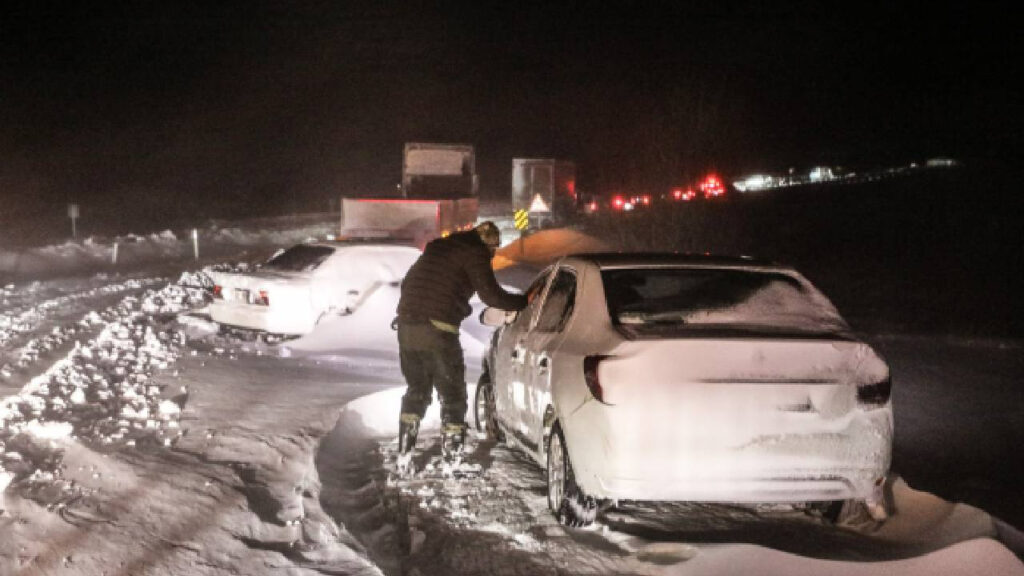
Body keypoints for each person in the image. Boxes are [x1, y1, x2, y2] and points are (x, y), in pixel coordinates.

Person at [394, 221, 527, 470]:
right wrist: (523, 301)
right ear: (487, 244)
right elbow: (491, 295)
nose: (493, 254)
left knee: (417, 390)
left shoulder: (438, 249)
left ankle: (405, 453)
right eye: (494, 249)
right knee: (452, 394)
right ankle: (452, 459)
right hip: (438, 330)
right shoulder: (474, 252)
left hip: (406, 327)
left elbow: (407, 283)